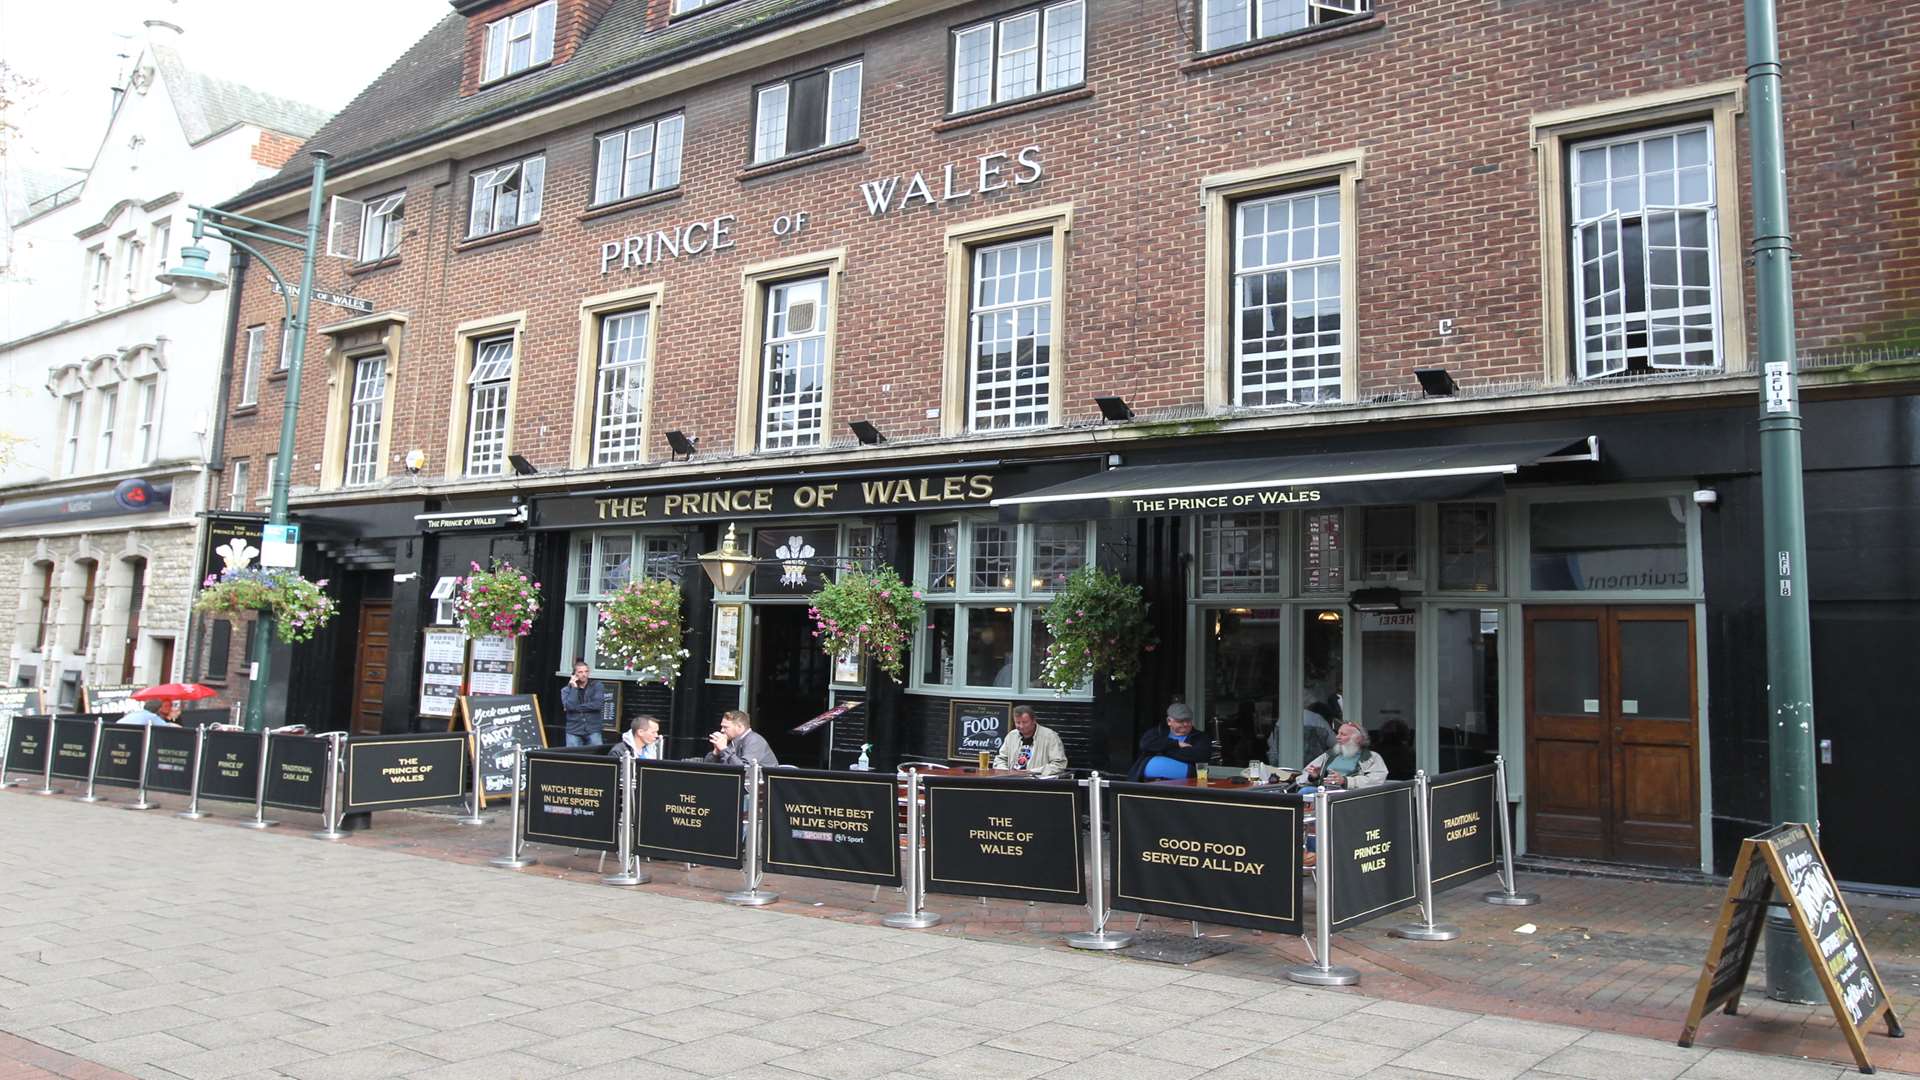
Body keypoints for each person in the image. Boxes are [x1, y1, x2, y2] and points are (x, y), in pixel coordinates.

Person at [1127, 701, 1214, 781]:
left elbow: (1201, 755)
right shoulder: (1158, 731)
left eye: (1188, 721)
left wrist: (1160, 750)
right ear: (1169, 721)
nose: (1185, 724)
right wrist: (1176, 744)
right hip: (1146, 783)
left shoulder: (1200, 737)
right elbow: (1145, 744)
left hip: (1184, 786)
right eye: (1181, 721)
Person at [1302, 722, 1389, 789]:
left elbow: (1376, 780)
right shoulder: (1330, 754)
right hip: (1322, 794)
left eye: (1343, 734)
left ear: (1358, 739)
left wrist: (1345, 781)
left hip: (1349, 798)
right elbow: (1302, 777)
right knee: (1304, 792)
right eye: (1338, 733)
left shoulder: (1371, 757)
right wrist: (1313, 777)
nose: (1337, 737)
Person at [992, 705, 1067, 778]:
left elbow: (1059, 764)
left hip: (1038, 784)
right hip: (1011, 781)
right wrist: (1006, 771)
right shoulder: (1011, 736)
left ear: (1034, 721)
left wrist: (1031, 772)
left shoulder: (1050, 737)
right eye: (1018, 723)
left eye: (1025, 722)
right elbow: (1000, 759)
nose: (1021, 726)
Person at [699, 710, 779, 769]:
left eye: (725, 727)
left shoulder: (754, 740)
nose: (722, 730)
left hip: (761, 788)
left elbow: (744, 769)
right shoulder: (733, 742)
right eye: (722, 727)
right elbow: (707, 768)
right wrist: (716, 752)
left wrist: (724, 749)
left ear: (740, 727)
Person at [559, 660, 607, 748]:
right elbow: (569, 706)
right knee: (572, 757)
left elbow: (597, 705)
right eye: (580, 672)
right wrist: (574, 688)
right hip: (574, 729)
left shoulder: (597, 685)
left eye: (586, 671)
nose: (584, 674)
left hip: (593, 728)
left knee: (597, 756)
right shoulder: (566, 690)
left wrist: (575, 708)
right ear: (574, 674)